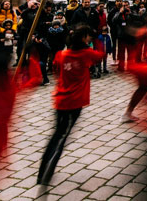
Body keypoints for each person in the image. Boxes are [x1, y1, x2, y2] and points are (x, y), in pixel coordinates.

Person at [37, 27, 105, 185]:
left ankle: (43, 168)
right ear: (83, 38)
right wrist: (98, 40)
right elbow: (101, 55)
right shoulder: (86, 54)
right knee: (62, 136)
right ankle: (48, 169)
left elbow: (55, 69)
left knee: (56, 134)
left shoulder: (62, 54)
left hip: (60, 99)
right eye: (87, 37)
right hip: (75, 101)